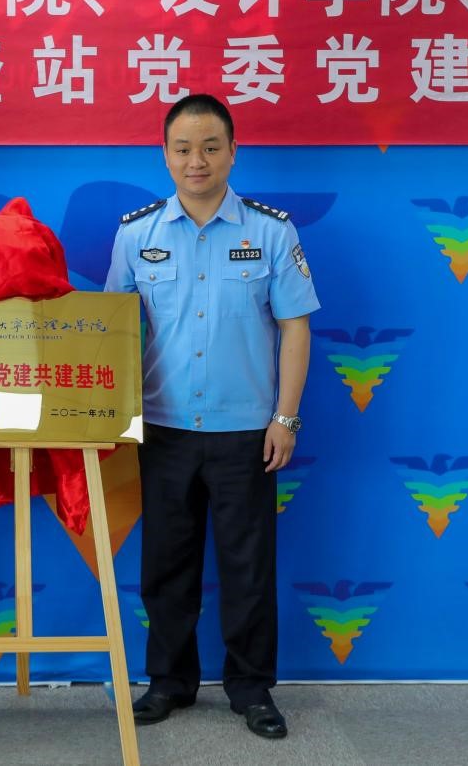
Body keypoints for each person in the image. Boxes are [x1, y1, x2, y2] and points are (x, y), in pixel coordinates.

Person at [104, 93, 319, 739]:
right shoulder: (136, 233)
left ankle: (251, 688)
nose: (196, 160)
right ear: (165, 154)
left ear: (232, 151)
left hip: (246, 432)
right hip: (163, 428)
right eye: (183, 148)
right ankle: (168, 682)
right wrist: (114, 417)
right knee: (166, 565)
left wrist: (286, 419)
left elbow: (296, 327)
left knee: (247, 567)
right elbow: (113, 332)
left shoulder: (272, 232)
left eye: (209, 147)